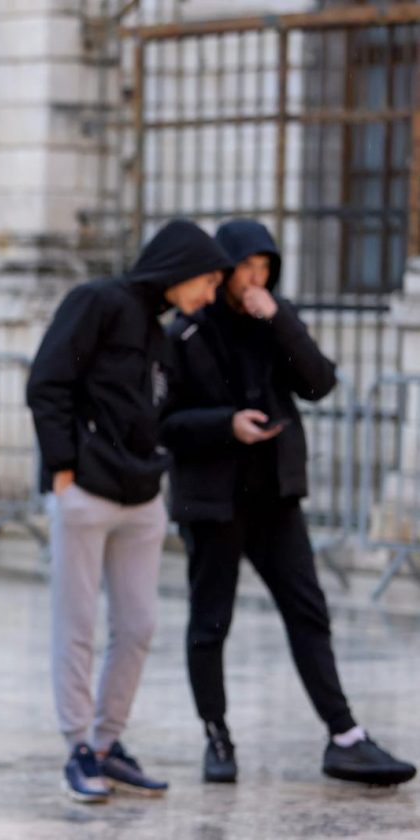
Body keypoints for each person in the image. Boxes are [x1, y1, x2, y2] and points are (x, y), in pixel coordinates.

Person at [162, 218, 416, 787]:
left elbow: (320, 382)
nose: (255, 279)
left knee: (308, 611)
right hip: (213, 500)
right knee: (212, 620)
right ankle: (217, 735)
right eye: (246, 268)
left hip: (274, 494)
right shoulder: (186, 331)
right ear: (223, 269)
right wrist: (226, 425)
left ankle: (345, 736)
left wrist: (279, 320)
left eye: (265, 269)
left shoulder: (277, 318)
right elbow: (165, 423)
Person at [26, 219, 233, 804]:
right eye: (209, 281)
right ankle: (79, 749)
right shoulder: (96, 301)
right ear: (181, 266)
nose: (210, 294)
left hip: (143, 497)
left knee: (139, 625)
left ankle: (108, 744)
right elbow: (48, 383)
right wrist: (64, 468)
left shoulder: (164, 331)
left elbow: (158, 408)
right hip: (86, 492)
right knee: (78, 625)